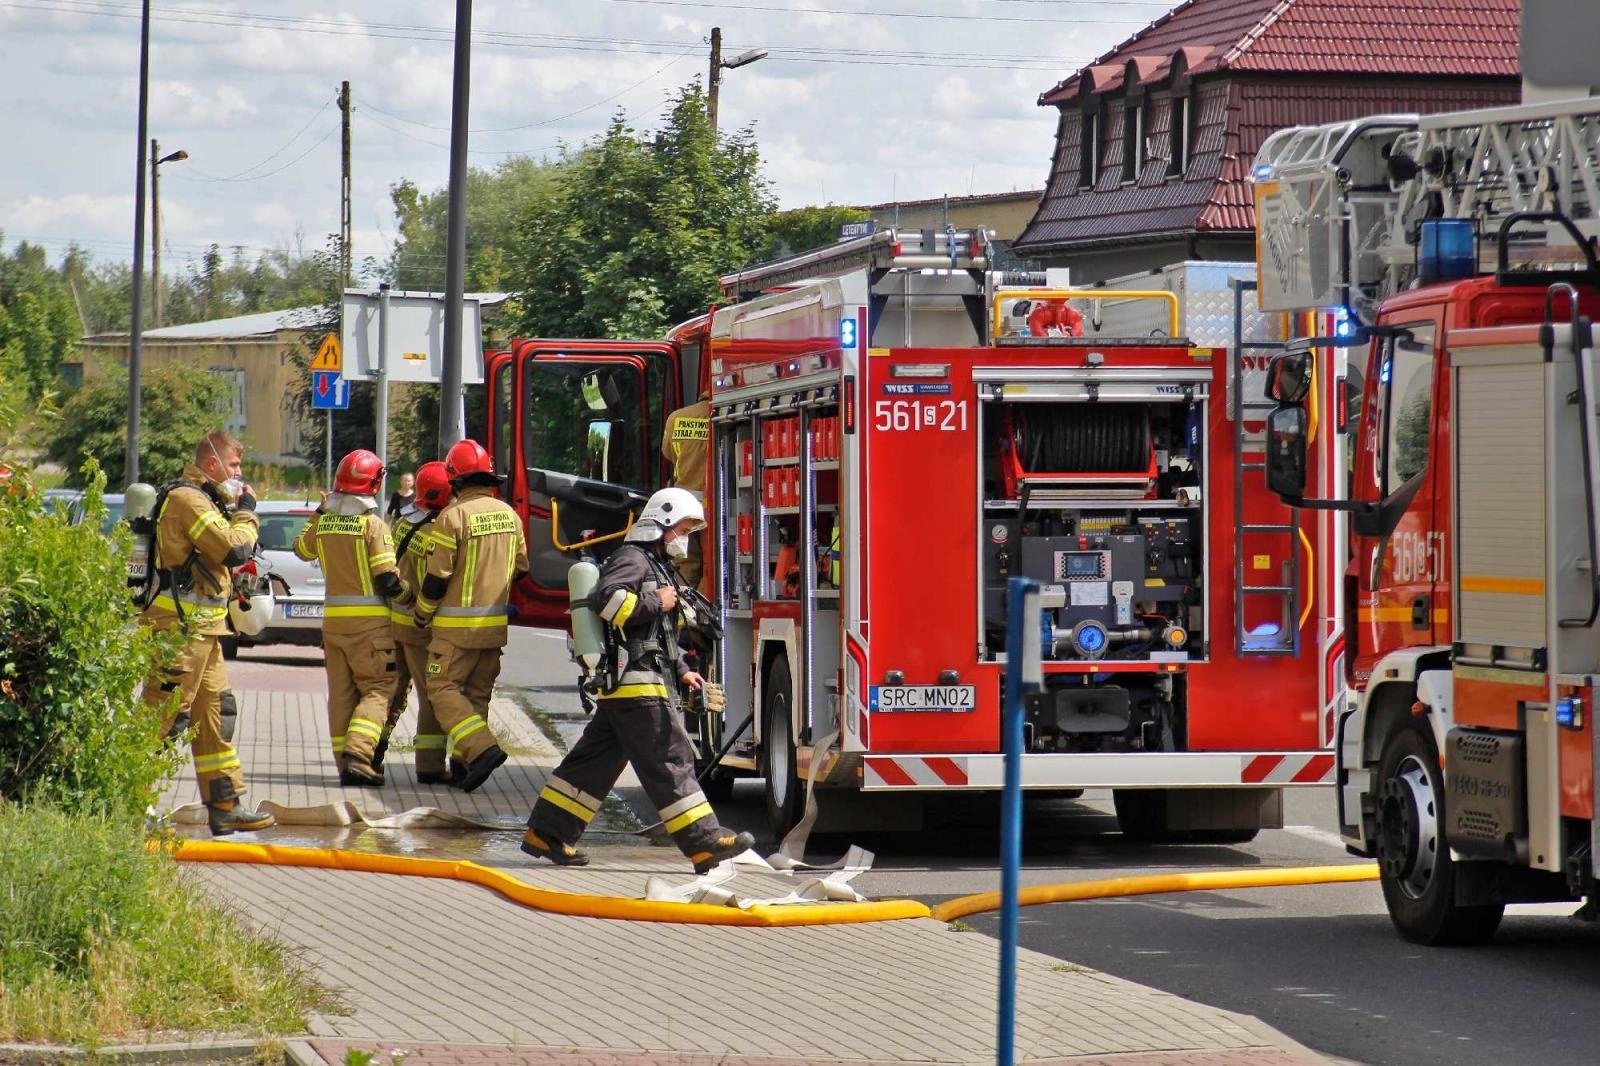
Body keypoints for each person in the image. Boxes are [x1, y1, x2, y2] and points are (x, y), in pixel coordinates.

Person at [522, 487, 755, 873]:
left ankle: (546, 832)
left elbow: (659, 634)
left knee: (594, 762)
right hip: (636, 681)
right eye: (683, 529)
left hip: (637, 678)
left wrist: (682, 669)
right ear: (662, 523)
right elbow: (608, 600)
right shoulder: (632, 558)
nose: (685, 539)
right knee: (670, 757)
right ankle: (704, 843)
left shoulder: (657, 564)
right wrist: (657, 601)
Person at [139, 430, 276, 835]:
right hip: (179, 631)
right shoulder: (188, 500)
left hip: (204, 631)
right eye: (234, 465)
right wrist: (247, 512)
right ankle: (129, 802)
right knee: (163, 716)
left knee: (216, 713)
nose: (238, 473)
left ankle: (225, 804)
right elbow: (232, 548)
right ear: (212, 462)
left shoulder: (205, 499)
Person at [412, 440, 531, 794]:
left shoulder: (452, 517)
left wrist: (422, 614)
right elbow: (522, 569)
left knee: (441, 688)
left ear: (454, 479)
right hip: (493, 629)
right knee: (477, 696)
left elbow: (437, 578)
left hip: (454, 631)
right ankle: (465, 767)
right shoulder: (510, 515)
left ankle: (481, 748)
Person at [294, 448, 407, 786]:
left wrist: (320, 511)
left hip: (333, 626)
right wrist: (412, 599)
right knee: (380, 689)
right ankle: (358, 754)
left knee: (341, 695)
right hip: (370, 627)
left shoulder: (325, 524)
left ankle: (344, 764)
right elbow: (387, 580)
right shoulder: (373, 525)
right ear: (374, 484)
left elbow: (301, 549)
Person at [385, 459, 454, 784]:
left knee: (391, 692)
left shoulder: (404, 522)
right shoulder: (435, 533)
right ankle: (430, 765)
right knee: (431, 695)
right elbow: (433, 585)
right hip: (419, 626)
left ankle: (367, 752)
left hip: (394, 621)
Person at [660, 389, 711, 587]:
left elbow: (667, 453)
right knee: (711, 566)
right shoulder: (718, 413)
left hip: (681, 506)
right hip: (710, 504)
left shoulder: (676, 417)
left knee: (684, 564)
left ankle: (681, 604)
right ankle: (705, 606)